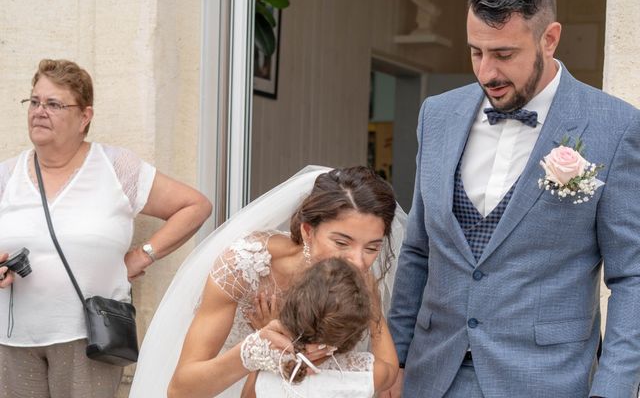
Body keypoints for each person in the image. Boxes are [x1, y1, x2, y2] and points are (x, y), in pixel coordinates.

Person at [385, 0, 640, 397]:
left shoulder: (613, 128)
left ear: (550, 39)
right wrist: (395, 360)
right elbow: (418, 250)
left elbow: (632, 276)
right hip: (432, 375)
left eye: (504, 54)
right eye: (476, 51)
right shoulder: (438, 115)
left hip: (544, 380)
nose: (486, 72)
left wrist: (613, 388)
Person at [0, 58, 212, 398]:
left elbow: (195, 206)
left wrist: (142, 256)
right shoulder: (7, 175)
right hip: (11, 341)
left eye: (54, 104)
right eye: (35, 101)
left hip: (89, 338)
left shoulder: (115, 167)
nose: (39, 111)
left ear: (84, 117)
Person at [130, 165, 405, 397]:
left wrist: (371, 304)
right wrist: (254, 350)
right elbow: (180, 389)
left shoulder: (360, 281)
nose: (358, 262)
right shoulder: (245, 265)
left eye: (372, 248)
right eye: (342, 242)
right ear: (308, 231)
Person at [242, 257, 397, 397]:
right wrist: (374, 309)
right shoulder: (365, 374)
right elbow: (391, 369)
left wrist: (266, 341)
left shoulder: (274, 368)